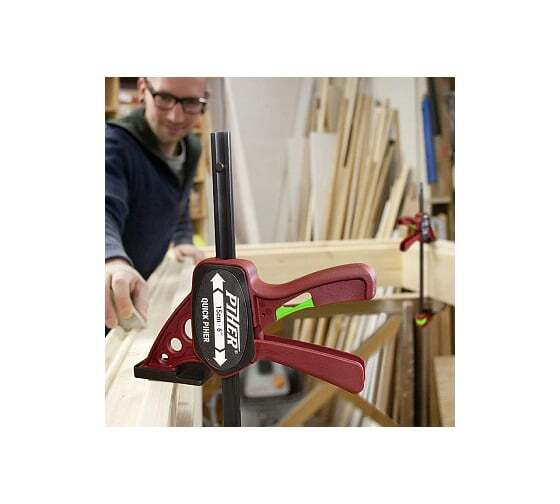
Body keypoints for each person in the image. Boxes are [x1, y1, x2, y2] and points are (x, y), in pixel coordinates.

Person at [105, 77, 208, 330]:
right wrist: (111, 259)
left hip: (143, 287)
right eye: (165, 98)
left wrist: (183, 238)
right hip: (111, 288)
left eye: (190, 102)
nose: (176, 116)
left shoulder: (191, 147)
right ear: (143, 89)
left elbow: (179, 200)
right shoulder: (113, 145)